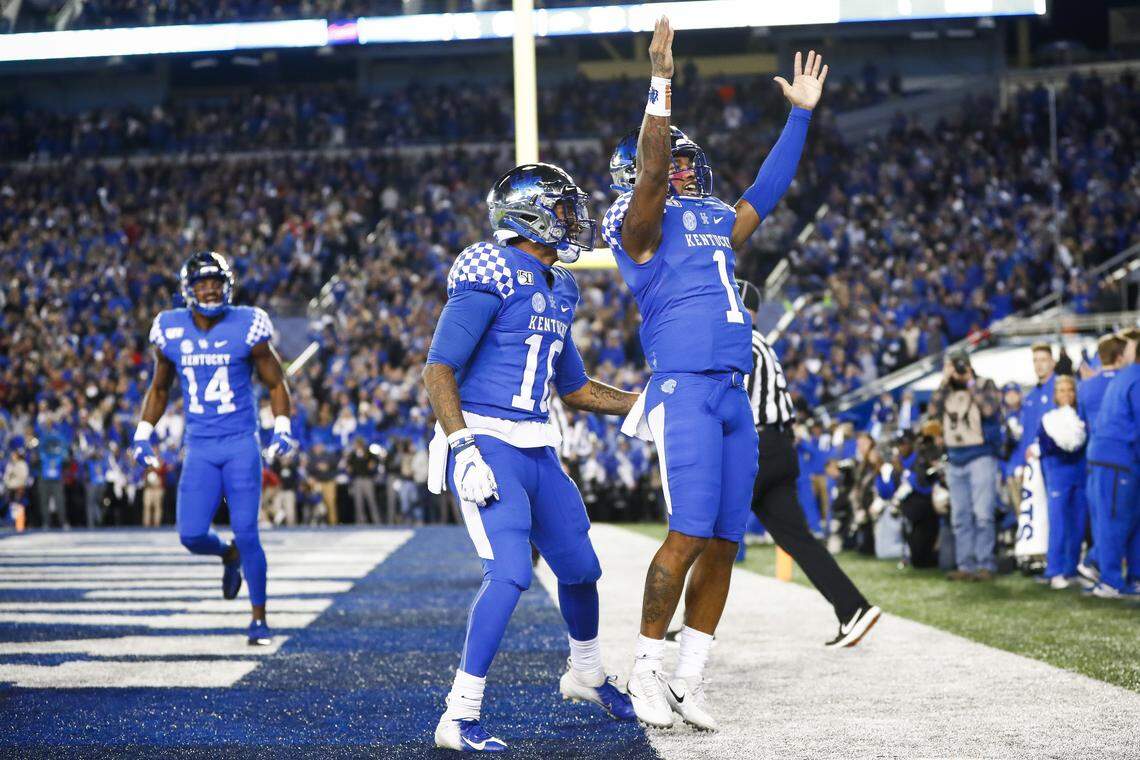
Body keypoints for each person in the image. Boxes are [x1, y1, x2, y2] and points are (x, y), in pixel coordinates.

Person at [602, 16, 826, 730]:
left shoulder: (713, 219)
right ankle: (644, 669)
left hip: (734, 396)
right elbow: (652, 170)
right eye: (673, 162)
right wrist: (662, 81)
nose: (684, 170)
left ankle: (689, 675)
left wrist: (798, 116)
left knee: (727, 541)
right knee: (689, 531)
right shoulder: (637, 226)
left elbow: (769, 187)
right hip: (687, 390)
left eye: (687, 163)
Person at [422, 162, 639, 752]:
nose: (573, 220)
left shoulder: (560, 286)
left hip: (537, 443)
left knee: (581, 568)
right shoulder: (489, 266)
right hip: (486, 438)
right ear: (529, 214)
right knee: (512, 571)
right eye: (563, 209)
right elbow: (439, 367)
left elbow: (575, 388)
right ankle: (458, 715)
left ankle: (587, 674)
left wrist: (642, 406)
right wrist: (461, 444)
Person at [131, 252, 297, 644]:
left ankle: (258, 618)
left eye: (215, 281)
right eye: (202, 282)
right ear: (188, 289)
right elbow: (159, 388)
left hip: (240, 442)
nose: (209, 288)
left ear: (227, 284)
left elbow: (275, 382)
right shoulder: (169, 329)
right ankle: (227, 555)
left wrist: (283, 426)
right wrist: (142, 433)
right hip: (200, 445)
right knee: (190, 535)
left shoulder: (247, 323)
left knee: (248, 530)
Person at [736, 279, 880, 647]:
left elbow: (727, 403)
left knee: (704, 534)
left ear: (744, 308)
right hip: (780, 446)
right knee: (800, 540)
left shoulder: (741, 341)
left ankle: (693, 630)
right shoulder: (762, 343)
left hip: (758, 447)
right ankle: (853, 608)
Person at [926, 349, 1002, 581]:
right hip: (955, 458)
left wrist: (969, 382)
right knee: (960, 516)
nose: (956, 371)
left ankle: (985, 564)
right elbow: (932, 413)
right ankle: (965, 565)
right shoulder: (946, 389)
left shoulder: (983, 383)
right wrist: (943, 382)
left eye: (959, 366)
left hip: (980, 455)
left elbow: (989, 410)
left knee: (982, 515)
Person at [1085, 329, 1140, 598]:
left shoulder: (1125, 375)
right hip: (1118, 459)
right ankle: (1111, 579)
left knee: (1127, 519)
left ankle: (1129, 577)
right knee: (1117, 520)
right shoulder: (1135, 377)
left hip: (1114, 458)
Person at [1075, 333, 1127, 585]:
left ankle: (1096, 562)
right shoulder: (1124, 380)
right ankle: (1101, 567)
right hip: (1121, 456)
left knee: (1102, 517)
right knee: (1121, 517)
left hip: (1094, 455)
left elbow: (1082, 423)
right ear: (1120, 356)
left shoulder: (1085, 386)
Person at [1037, 375, 1088, 588]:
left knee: (1078, 522)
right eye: (1061, 391)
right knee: (1058, 522)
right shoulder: (1049, 419)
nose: (1066, 394)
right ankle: (1054, 570)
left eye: (1070, 390)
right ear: (1055, 395)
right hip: (1058, 474)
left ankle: (1070, 568)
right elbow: (1047, 447)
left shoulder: (1081, 418)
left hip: (1080, 474)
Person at [347, 437, 381, 524]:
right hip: (357, 479)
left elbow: (376, 460)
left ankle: (376, 521)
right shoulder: (353, 454)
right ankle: (361, 522)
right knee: (358, 502)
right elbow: (349, 465)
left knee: (371, 501)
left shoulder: (368, 453)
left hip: (367, 479)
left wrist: (373, 464)